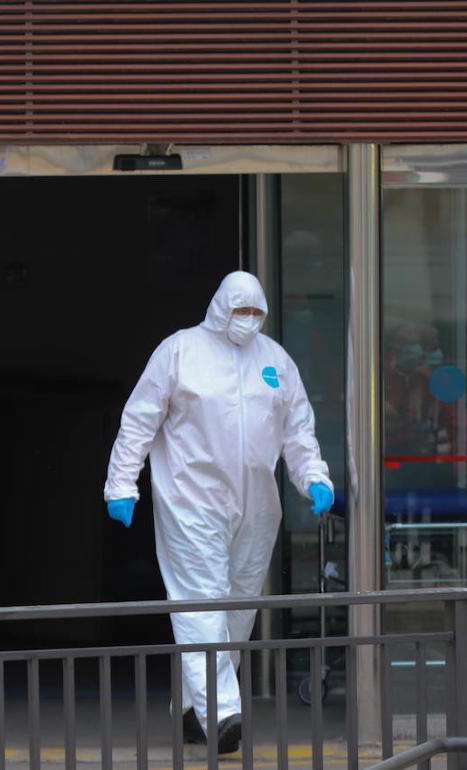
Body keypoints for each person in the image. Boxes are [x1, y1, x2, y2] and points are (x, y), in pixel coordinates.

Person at [103, 271, 334, 754]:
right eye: (239, 310)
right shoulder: (180, 352)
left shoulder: (276, 361)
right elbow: (139, 420)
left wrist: (313, 476)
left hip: (257, 505)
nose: (247, 319)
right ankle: (223, 714)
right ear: (220, 307)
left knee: (238, 609)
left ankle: (192, 708)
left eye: (255, 312)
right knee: (201, 602)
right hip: (191, 499)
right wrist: (121, 483)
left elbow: (298, 429)